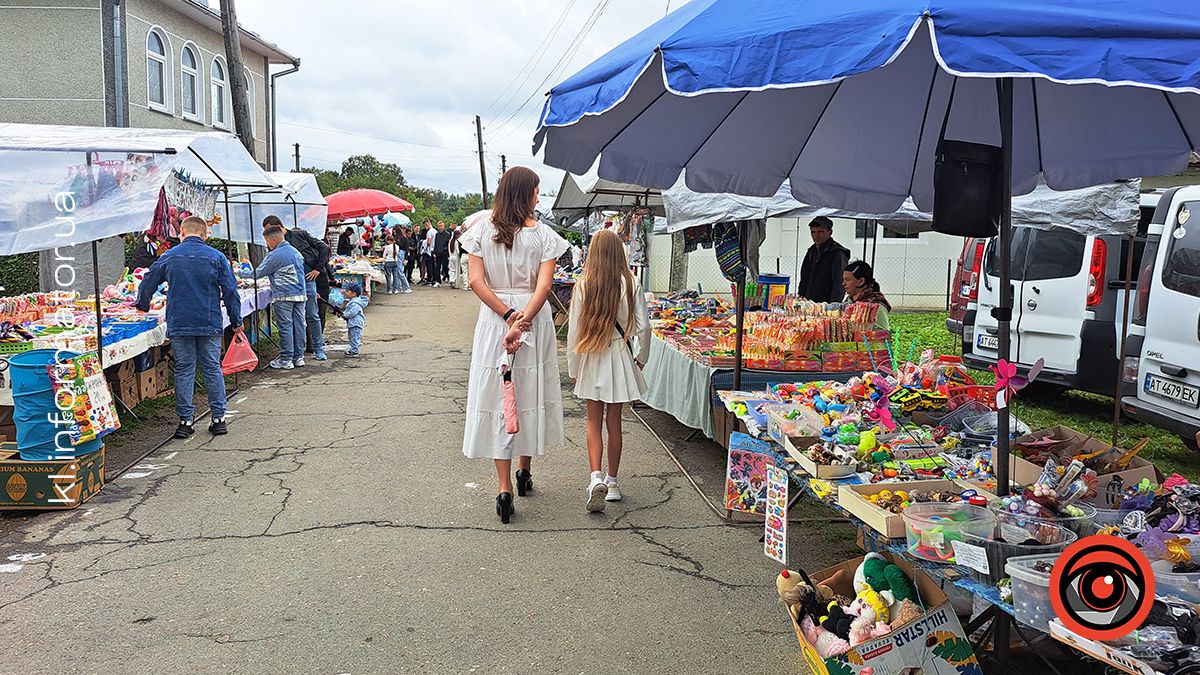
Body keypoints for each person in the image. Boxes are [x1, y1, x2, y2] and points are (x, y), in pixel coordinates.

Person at [460, 166, 569, 524]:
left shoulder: (480, 232)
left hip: (495, 321)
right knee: (526, 392)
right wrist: (523, 318)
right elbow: (544, 286)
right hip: (532, 318)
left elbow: (476, 281)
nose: (539, 197)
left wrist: (507, 315)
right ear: (526, 194)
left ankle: (504, 486)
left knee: (499, 397)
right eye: (537, 191)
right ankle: (525, 469)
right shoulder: (544, 237)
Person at [566, 229, 651, 512]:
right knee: (614, 421)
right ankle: (613, 481)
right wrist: (642, 357)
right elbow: (644, 326)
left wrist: (573, 368)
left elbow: (575, 332)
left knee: (592, 421)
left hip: (592, 354)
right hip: (619, 355)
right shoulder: (631, 282)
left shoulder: (583, 285)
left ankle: (595, 478)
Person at [136, 216, 241, 438]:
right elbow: (230, 291)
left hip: (180, 320)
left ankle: (185, 421)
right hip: (209, 319)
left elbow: (148, 282)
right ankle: (219, 418)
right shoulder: (217, 257)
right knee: (212, 367)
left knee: (184, 369)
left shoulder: (169, 257)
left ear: (181, 233)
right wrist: (236, 320)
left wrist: (143, 305)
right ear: (205, 235)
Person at [266, 215, 329, 362]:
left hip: (308, 281)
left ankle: (318, 348)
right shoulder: (272, 243)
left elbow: (323, 248)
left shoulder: (299, 235)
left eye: (269, 230)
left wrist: (317, 269)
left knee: (312, 315)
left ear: (277, 226)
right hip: (287, 285)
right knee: (295, 320)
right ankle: (295, 354)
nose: (267, 235)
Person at [258, 225, 309, 369]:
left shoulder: (275, 255)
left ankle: (286, 359)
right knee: (299, 326)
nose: (267, 244)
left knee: (285, 326)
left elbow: (258, 273)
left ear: (274, 239)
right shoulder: (295, 251)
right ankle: (299, 357)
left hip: (283, 295)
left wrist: (241, 273)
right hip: (300, 293)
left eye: (267, 241)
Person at [797, 216, 850, 303]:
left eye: (820, 232)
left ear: (830, 232)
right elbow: (804, 279)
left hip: (826, 306)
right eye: (813, 232)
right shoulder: (811, 251)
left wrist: (833, 306)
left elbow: (839, 284)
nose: (816, 235)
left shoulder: (837, 253)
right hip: (808, 304)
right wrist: (801, 299)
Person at [843, 260, 892, 331]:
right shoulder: (849, 301)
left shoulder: (875, 305)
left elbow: (882, 335)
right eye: (844, 279)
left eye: (847, 279)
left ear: (861, 281)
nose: (843, 283)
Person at [340, 282, 368, 357]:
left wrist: (345, 315)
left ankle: (354, 350)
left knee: (354, 336)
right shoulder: (353, 302)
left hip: (356, 323)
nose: (345, 293)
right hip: (353, 323)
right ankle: (353, 348)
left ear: (354, 293)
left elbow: (352, 313)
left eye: (347, 291)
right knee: (352, 336)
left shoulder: (355, 303)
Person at [434, 220, 452, 285]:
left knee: (445, 267)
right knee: (437, 267)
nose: (440, 227)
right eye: (439, 226)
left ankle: (449, 277)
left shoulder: (447, 234)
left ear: (444, 226)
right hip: (438, 253)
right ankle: (438, 281)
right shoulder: (437, 234)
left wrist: (446, 251)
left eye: (441, 226)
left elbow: (448, 244)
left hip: (445, 253)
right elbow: (435, 243)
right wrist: (434, 252)